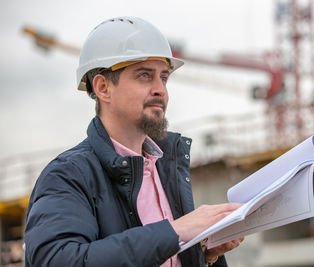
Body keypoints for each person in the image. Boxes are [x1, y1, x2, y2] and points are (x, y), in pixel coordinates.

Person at [24, 16, 244, 267]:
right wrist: (176, 232)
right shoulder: (67, 175)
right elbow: (57, 261)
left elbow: (160, 252)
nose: (160, 89)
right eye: (144, 75)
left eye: (163, 77)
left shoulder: (166, 168)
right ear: (103, 88)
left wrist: (204, 253)